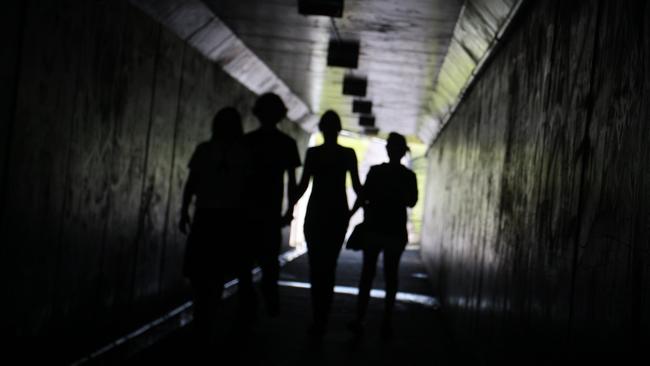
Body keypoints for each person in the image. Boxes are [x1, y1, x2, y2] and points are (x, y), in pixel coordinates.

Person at [286, 110, 362, 336]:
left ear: (321, 129)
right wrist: (352, 213)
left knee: (316, 266)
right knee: (329, 266)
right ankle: (323, 314)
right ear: (339, 129)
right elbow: (359, 189)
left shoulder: (313, 154)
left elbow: (301, 188)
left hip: (316, 214)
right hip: (337, 215)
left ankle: (318, 314)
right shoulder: (348, 154)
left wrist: (288, 210)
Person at [179, 107, 245, 347]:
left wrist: (184, 210)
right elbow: (246, 190)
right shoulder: (243, 153)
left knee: (201, 271)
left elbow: (192, 182)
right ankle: (207, 318)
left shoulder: (205, 150)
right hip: (226, 219)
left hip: (206, 217)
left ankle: (201, 317)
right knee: (216, 273)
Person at [347, 132, 418, 339]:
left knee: (367, 274)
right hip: (395, 230)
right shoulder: (408, 176)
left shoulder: (376, 172)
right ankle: (386, 321)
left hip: (374, 229)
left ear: (388, 150)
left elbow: (363, 196)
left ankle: (360, 318)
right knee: (391, 275)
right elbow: (412, 201)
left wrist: (349, 215)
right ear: (403, 152)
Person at [239, 93, 301, 317]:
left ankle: (248, 306)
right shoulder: (287, 144)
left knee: (244, 264)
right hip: (270, 214)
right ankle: (270, 301)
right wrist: (289, 212)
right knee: (269, 263)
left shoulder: (246, 142)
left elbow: (238, 179)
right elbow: (292, 184)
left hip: (247, 212)